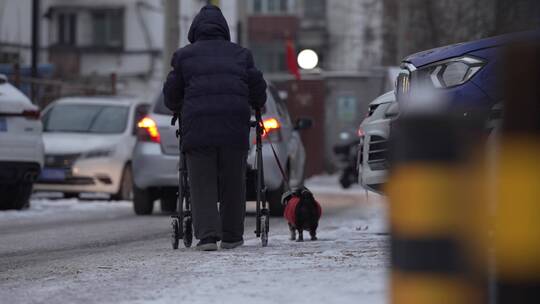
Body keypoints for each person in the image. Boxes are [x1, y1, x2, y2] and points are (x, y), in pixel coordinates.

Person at [163, 5, 267, 251]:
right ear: (224, 30)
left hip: (198, 128)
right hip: (234, 126)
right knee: (233, 181)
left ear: (195, 30)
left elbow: (170, 95)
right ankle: (232, 236)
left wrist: (180, 106)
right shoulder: (241, 55)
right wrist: (256, 104)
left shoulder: (184, 56)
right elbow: (258, 90)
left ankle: (208, 236)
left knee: (201, 182)